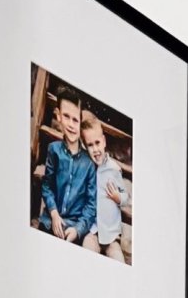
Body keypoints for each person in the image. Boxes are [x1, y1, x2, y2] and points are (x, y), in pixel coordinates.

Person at [39, 85, 96, 244]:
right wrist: (54, 213)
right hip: (50, 221)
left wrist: (78, 230)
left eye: (75, 120)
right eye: (66, 116)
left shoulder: (89, 164)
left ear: (80, 122)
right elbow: (47, 185)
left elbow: (91, 206)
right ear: (58, 116)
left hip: (73, 229)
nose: (71, 124)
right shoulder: (54, 150)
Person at [80, 112, 128, 264]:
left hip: (111, 236)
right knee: (87, 252)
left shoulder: (114, 169)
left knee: (118, 260)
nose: (95, 149)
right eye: (90, 145)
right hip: (92, 231)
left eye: (97, 143)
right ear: (85, 146)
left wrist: (117, 197)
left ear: (104, 141)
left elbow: (125, 197)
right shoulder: (87, 168)